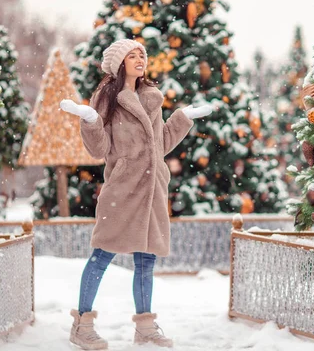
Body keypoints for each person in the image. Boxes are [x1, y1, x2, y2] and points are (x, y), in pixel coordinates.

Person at [60, 39, 213, 350]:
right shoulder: (109, 97)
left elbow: (161, 144)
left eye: (142, 53)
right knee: (102, 254)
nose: (140, 58)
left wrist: (183, 117)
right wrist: (90, 120)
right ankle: (82, 324)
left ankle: (145, 327)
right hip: (123, 188)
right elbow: (100, 148)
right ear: (120, 63)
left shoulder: (150, 98)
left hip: (152, 189)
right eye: (132, 55)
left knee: (146, 261)